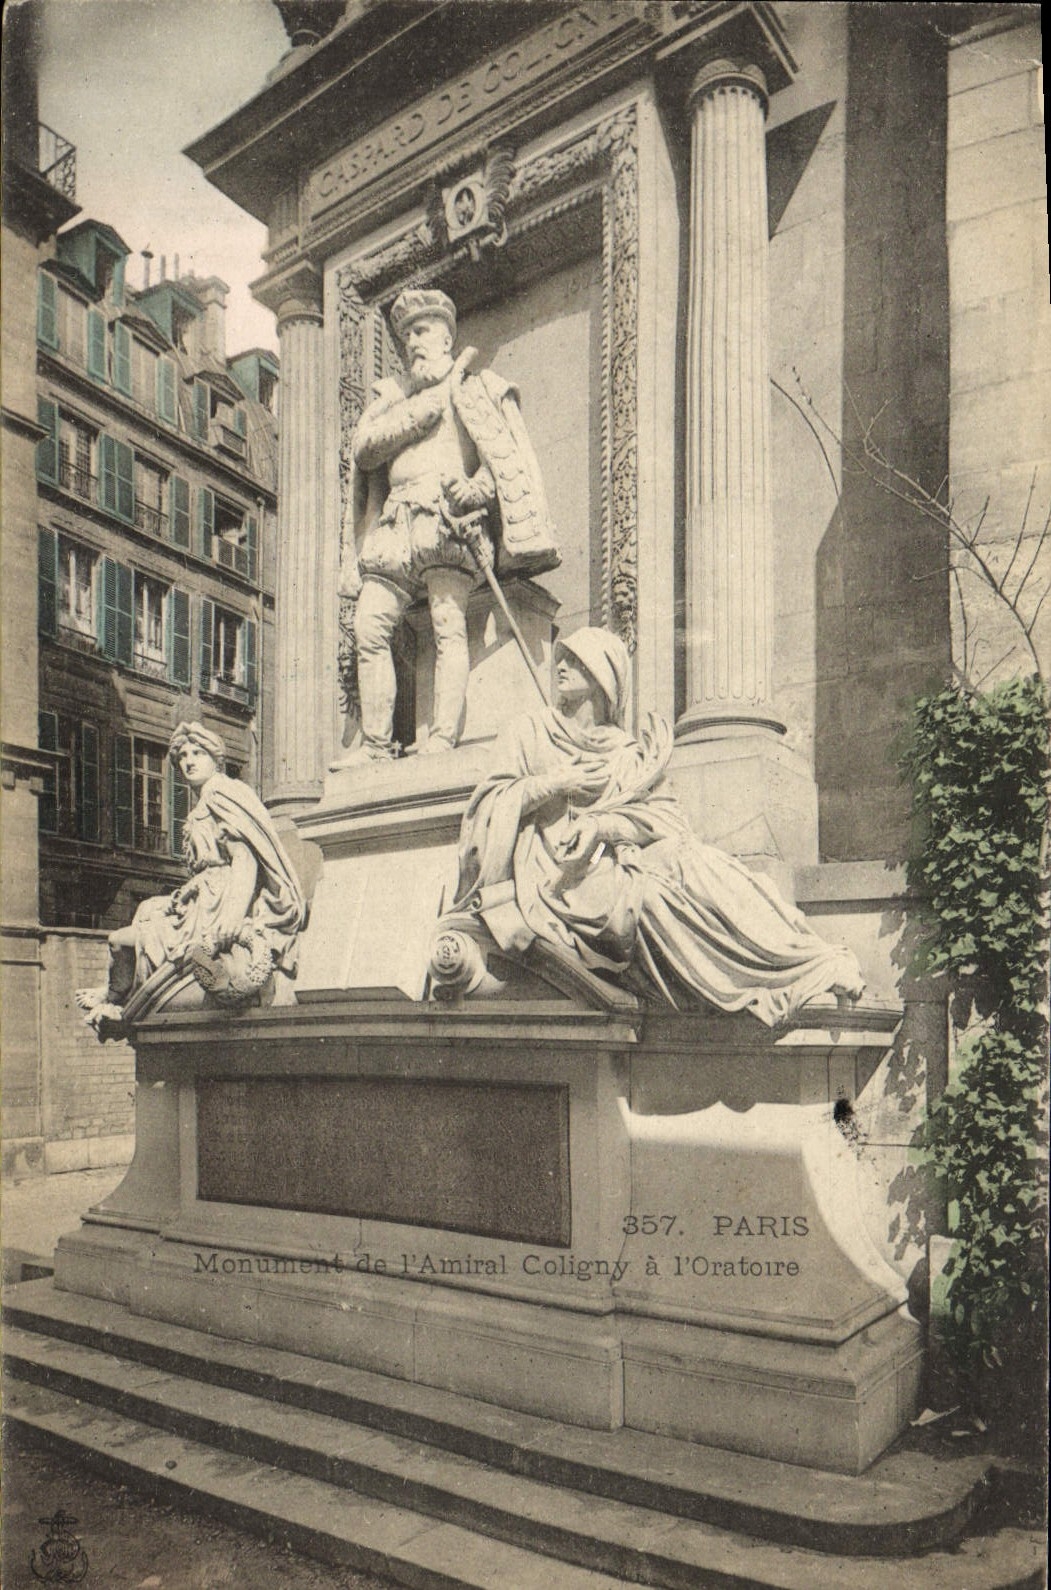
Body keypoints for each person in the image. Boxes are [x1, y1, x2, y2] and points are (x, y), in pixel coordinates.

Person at [448, 628, 865, 1026]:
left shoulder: (626, 754)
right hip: (555, 879)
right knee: (649, 898)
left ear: (603, 679)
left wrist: (602, 825)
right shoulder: (530, 732)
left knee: (698, 861)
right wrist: (555, 784)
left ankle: (807, 960)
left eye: (576, 661)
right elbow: (485, 808)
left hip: (613, 861)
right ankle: (773, 977)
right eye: (563, 657)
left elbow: (668, 822)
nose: (561, 666)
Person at [334, 287, 558, 766]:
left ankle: (441, 739)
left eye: (421, 331)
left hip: (447, 520)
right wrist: (419, 412)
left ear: (445, 337)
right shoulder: (392, 401)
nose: (411, 342)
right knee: (369, 626)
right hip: (396, 520)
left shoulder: (476, 388)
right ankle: (374, 745)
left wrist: (473, 492)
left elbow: (500, 465)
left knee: (447, 625)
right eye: (404, 336)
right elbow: (367, 450)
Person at [75, 723, 306, 1034]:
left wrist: (233, 917)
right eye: (183, 755)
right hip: (200, 900)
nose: (189, 761)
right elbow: (206, 867)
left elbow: (245, 858)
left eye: (198, 753)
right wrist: (186, 891)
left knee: (123, 939)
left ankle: (121, 999)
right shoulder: (203, 801)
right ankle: (118, 995)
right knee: (134, 924)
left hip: (219, 906)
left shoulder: (222, 794)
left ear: (217, 758)